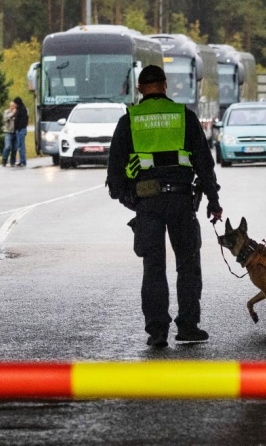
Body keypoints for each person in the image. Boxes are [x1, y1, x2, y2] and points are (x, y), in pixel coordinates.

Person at [107, 65, 223, 348]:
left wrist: (129, 198)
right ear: (165, 85)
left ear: (139, 89)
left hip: (148, 204)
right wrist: (213, 200)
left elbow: (114, 174)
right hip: (183, 202)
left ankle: (157, 332)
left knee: (153, 268)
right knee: (188, 265)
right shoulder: (184, 117)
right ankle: (188, 327)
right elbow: (204, 164)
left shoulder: (129, 121)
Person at [12, 97, 29, 167]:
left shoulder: (22, 110)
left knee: (21, 146)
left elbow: (22, 120)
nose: (14, 105)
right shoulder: (20, 109)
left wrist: (18, 127)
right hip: (19, 129)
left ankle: (23, 161)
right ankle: (22, 160)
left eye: (15, 103)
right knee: (20, 146)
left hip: (21, 129)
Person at [2, 101, 17, 167]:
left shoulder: (17, 112)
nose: (13, 107)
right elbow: (5, 119)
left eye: (14, 106)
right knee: (7, 147)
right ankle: (4, 160)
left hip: (15, 132)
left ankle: (12, 162)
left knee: (15, 148)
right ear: (10, 106)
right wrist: (12, 113)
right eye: (12, 106)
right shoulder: (6, 112)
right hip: (8, 132)